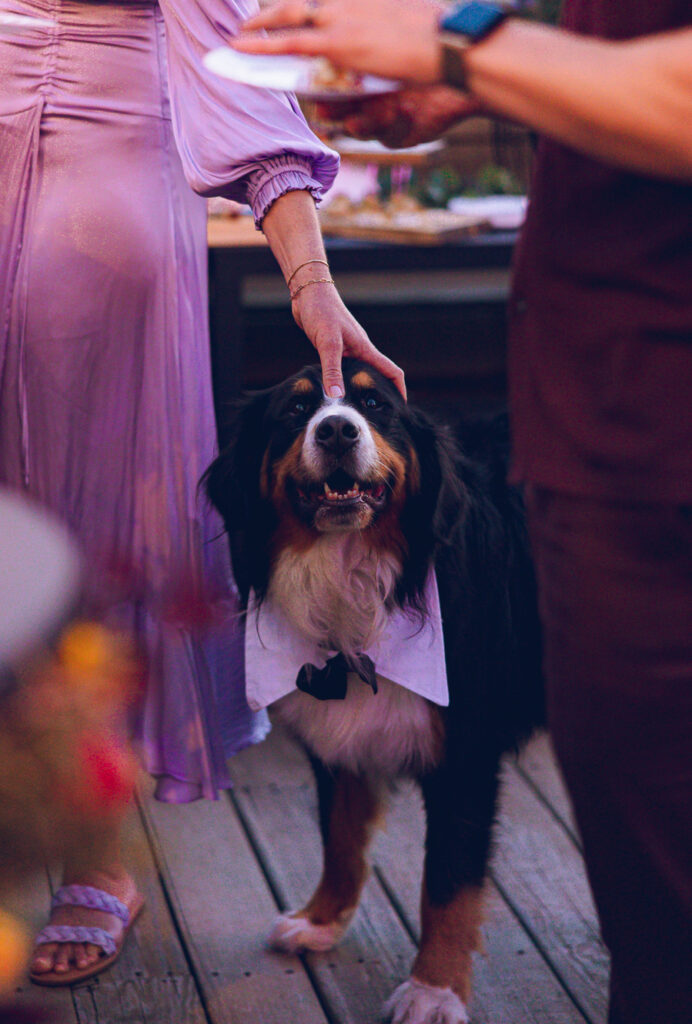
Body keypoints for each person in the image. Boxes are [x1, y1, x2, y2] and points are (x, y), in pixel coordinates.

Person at [236, 2, 692, 1021]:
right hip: (590, 425)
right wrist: (473, 83)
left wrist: (464, 49)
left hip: (655, 435)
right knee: (639, 855)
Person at [0, 0, 405, 985]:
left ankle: (95, 854)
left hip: (105, 152)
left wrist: (309, 279)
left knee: (79, 514)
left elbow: (235, 66)